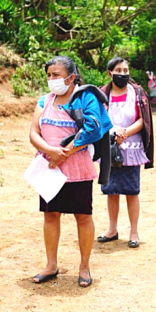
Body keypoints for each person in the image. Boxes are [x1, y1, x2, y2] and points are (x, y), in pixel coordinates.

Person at [29, 56, 112, 288]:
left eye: (55, 75)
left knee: (83, 217)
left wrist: (64, 152)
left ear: (71, 77)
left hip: (77, 168)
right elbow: (34, 133)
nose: (51, 79)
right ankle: (51, 265)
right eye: (49, 75)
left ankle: (84, 266)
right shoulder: (44, 101)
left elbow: (94, 127)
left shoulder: (86, 98)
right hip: (49, 168)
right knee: (50, 215)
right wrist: (50, 152)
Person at [97, 57, 154, 248]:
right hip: (109, 147)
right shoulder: (102, 93)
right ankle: (112, 229)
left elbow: (142, 120)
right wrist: (113, 131)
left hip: (131, 148)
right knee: (111, 190)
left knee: (131, 191)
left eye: (125, 70)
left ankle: (134, 232)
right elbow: (99, 117)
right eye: (118, 70)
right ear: (109, 73)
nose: (122, 74)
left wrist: (125, 133)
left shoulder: (137, 93)